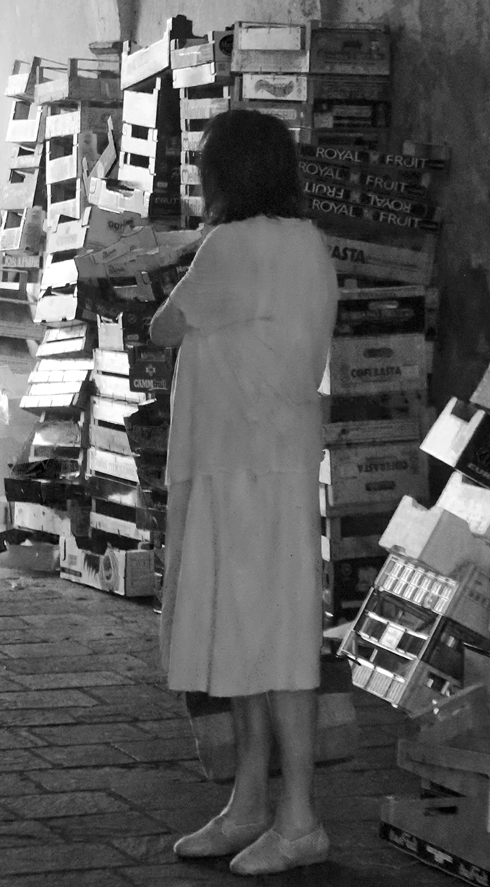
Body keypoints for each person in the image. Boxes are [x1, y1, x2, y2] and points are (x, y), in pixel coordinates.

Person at [149, 109, 339, 876]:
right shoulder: (308, 242)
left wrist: (167, 264)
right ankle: (252, 803)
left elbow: (168, 325)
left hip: (238, 465)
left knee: (271, 639)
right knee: (250, 630)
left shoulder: (229, 246)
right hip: (273, 462)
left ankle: (297, 817)